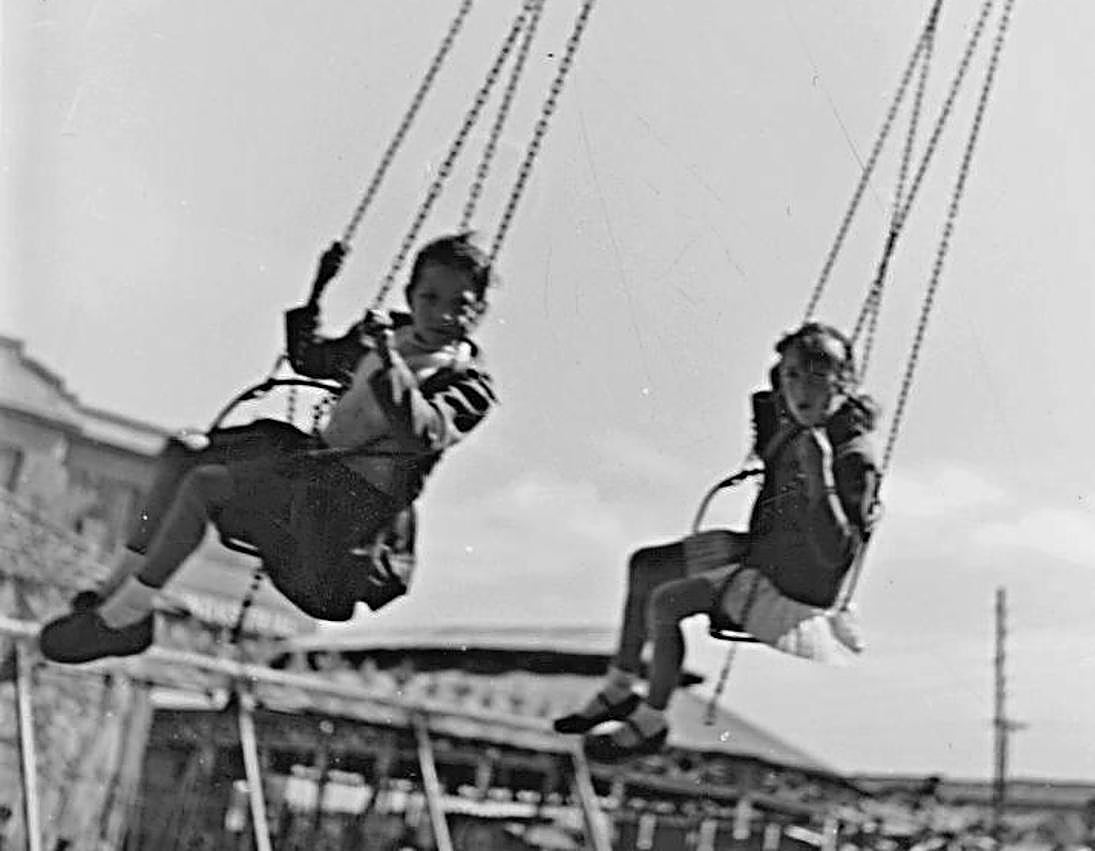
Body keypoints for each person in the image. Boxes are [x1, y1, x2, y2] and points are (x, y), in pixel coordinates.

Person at [39, 233, 497, 664]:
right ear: (410, 295)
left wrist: (388, 365)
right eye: (429, 299)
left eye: (460, 305)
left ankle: (126, 617)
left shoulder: (468, 383)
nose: (441, 315)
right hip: (310, 469)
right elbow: (311, 359)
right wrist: (320, 288)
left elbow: (425, 432)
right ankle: (113, 589)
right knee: (183, 452)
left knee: (205, 485)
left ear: (478, 312)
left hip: (346, 514)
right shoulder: (387, 336)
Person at [553, 323, 880, 761]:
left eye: (817, 376)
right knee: (645, 567)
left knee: (666, 603)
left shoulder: (851, 456)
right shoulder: (793, 428)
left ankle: (650, 720)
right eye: (792, 376)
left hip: (795, 591)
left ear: (844, 383)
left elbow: (837, 556)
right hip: (764, 557)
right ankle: (618, 688)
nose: (802, 389)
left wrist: (821, 479)